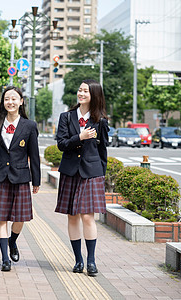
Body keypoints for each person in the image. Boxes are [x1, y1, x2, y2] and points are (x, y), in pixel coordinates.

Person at [55, 79, 108, 277]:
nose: (81, 93)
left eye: (85, 91)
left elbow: (103, 150)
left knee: (88, 216)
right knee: (72, 215)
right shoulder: (66, 117)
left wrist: (101, 174)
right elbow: (61, 144)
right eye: (80, 90)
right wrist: (80, 137)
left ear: (94, 95)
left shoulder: (100, 120)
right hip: (70, 171)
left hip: (91, 173)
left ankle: (91, 261)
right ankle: (78, 260)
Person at [0, 86, 40, 271]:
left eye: (14, 99)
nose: (10, 102)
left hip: (21, 176)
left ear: (21, 101)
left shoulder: (30, 126)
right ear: (3, 103)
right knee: (1, 218)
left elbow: (34, 155)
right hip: (0, 176)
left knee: (21, 218)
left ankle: (13, 240)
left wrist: (37, 181)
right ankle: (4, 259)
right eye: (6, 99)